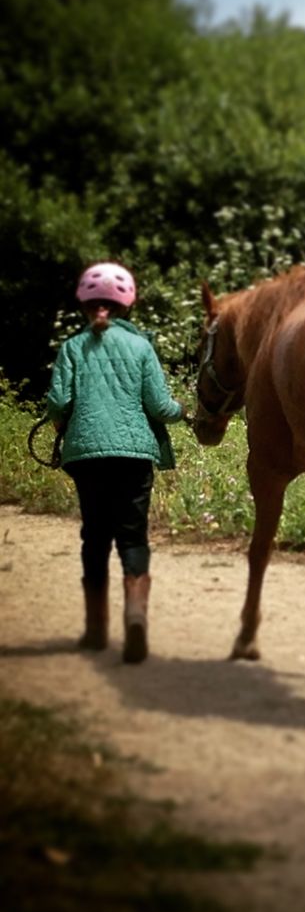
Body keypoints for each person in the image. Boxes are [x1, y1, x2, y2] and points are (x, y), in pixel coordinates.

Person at [46, 262, 186, 664]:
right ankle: (136, 616)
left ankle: (94, 631)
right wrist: (182, 411)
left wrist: (59, 419)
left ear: (87, 305)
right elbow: (159, 406)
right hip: (133, 456)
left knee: (94, 536)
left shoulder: (73, 347)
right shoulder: (142, 346)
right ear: (126, 304)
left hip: (87, 456)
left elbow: (58, 403)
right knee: (132, 535)